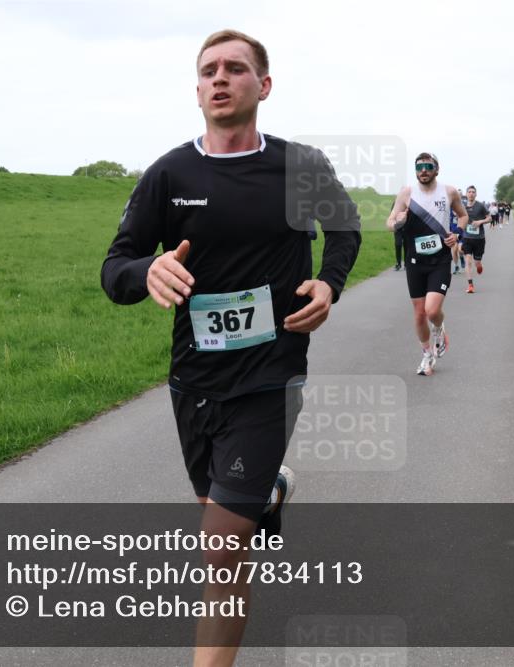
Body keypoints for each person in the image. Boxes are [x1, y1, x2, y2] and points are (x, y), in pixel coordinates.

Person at [100, 29, 361, 667]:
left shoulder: (300, 165)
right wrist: (147, 273)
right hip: (193, 382)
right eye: (208, 70)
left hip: (270, 378)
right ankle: (269, 491)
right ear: (197, 90)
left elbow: (346, 227)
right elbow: (116, 268)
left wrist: (327, 285)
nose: (220, 78)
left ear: (262, 86)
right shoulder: (170, 173)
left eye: (235, 69)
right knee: (224, 524)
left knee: (219, 549)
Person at [386, 152, 468, 376]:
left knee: (432, 311)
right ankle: (427, 354)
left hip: (440, 259)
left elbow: (463, 216)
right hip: (414, 261)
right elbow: (390, 222)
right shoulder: (407, 193)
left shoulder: (449, 191)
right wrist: (398, 222)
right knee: (419, 314)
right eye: (419, 166)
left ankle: (439, 328)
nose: (423, 170)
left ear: (436, 169)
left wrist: (457, 233)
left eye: (428, 166)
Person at [460, 186, 491, 293]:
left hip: (479, 239)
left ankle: (479, 265)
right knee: (468, 261)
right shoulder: (462, 206)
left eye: (473, 192)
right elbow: (458, 216)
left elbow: (489, 218)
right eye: (469, 192)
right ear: (466, 194)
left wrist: (480, 222)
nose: (471, 194)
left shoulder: (481, 206)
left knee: (477, 261)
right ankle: (470, 285)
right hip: (467, 238)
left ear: (476, 194)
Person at [392, 197, 404, 270]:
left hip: (407, 228)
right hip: (398, 228)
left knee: (407, 245)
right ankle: (398, 263)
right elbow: (392, 215)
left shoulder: (409, 203)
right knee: (398, 244)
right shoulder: (395, 203)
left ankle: (407, 263)